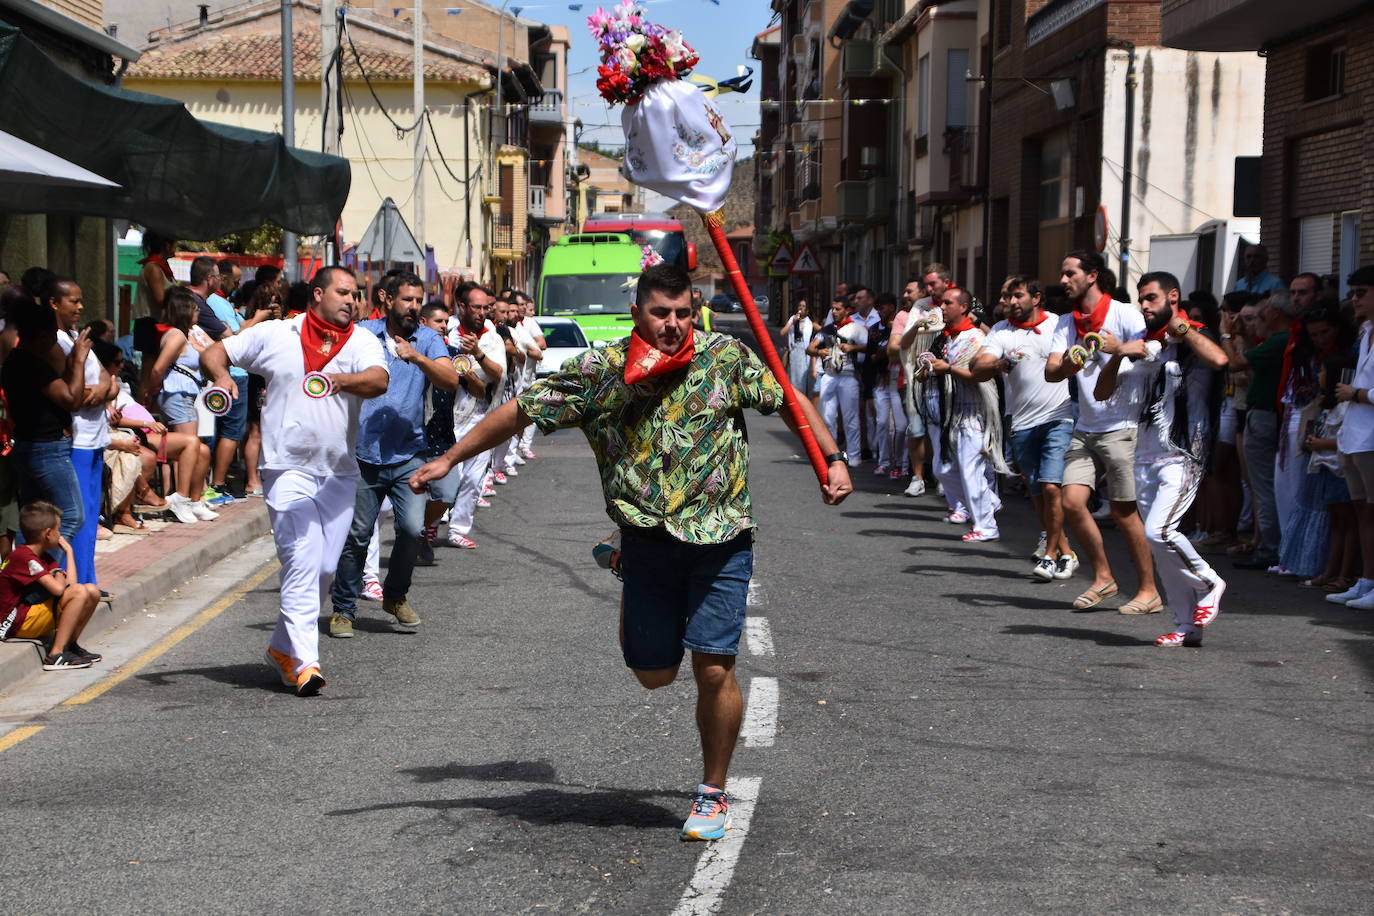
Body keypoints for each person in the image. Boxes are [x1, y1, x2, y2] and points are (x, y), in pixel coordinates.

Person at [409, 262, 852, 842]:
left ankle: (712, 792)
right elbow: (521, 410)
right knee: (654, 675)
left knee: (714, 665)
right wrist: (450, 459)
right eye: (661, 313)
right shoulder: (602, 370)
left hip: (722, 536)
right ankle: (622, 561)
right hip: (646, 539)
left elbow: (790, 398)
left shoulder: (724, 358)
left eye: (683, 314)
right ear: (638, 311)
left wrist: (833, 458)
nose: (673, 326)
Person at [201, 265, 389, 696]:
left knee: (325, 568)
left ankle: (283, 648)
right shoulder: (277, 334)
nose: (352, 300)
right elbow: (215, 351)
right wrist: (222, 376)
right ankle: (306, 662)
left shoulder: (361, 340)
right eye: (343, 292)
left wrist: (340, 379)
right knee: (302, 559)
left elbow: (379, 380)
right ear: (317, 294)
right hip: (286, 468)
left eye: (356, 294)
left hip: (339, 470)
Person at [1093, 271, 1229, 647]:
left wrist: (1180, 330)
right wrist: (1118, 352)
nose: (1144, 306)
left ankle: (1209, 581)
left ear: (1173, 296)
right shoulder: (1143, 343)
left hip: (1183, 453)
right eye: (1141, 299)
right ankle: (1187, 626)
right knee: (1160, 547)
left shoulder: (1193, 332)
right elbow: (1103, 392)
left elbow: (1219, 360)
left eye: (1151, 298)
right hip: (1146, 454)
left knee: (1160, 532)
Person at [327, 271, 457, 639]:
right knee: (357, 535)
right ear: (386, 299)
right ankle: (344, 609)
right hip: (362, 455)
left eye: (419, 301)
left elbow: (449, 380)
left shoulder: (427, 339)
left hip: (408, 455)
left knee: (413, 530)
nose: (415, 307)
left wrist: (416, 357)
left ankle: (395, 596)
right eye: (407, 300)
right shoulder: (362, 334)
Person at [1045, 250, 1160, 613]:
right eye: (1062, 274)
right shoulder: (1066, 323)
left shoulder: (1124, 312)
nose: (1063, 281)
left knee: (1125, 512)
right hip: (1086, 426)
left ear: (1092, 275)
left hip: (1123, 426)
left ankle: (1148, 591)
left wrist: (1119, 348)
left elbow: (1151, 349)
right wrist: (1070, 360)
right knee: (1071, 503)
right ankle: (1104, 577)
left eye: (1069, 273)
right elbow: (1051, 372)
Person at [978, 277, 1076, 578]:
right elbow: (978, 368)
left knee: (1051, 486)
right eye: (1008, 297)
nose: (1011, 302)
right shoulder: (1000, 331)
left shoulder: (1059, 325)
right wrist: (998, 364)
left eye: (1018, 296)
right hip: (1021, 421)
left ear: (1036, 298)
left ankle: (1048, 555)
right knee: (1036, 491)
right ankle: (1067, 551)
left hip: (1059, 417)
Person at [0, 292, 89, 557]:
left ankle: (28, 581)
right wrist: (79, 359)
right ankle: (40, 584)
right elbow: (72, 399)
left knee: (36, 523)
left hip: (31, 446)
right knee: (71, 516)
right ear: (42, 336)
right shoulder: (31, 364)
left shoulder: (17, 361)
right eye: (52, 335)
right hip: (46, 449)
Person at [42, 278, 117, 589]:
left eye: (81, 300)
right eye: (73, 301)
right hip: (77, 441)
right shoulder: (55, 343)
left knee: (89, 515)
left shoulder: (77, 337)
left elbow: (108, 381)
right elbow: (75, 393)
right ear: (54, 303)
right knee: (76, 517)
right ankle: (73, 582)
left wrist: (103, 389)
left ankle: (88, 580)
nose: (81, 307)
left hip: (96, 437)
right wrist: (100, 389)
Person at [922, 287, 1007, 541]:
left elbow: (978, 376)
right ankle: (989, 501)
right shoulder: (949, 337)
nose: (943, 308)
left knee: (971, 472)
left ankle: (986, 526)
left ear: (963, 307)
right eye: (942, 304)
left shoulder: (976, 339)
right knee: (943, 469)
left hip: (976, 414)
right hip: (955, 412)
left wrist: (946, 368)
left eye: (948, 303)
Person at [1220, 290, 1294, 571]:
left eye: (1261, 314)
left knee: (1263, 486)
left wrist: (1226, 336)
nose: (1257, 320)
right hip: (1263, 414)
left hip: (1264, 415)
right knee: (1263, 485)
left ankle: (1269, 548)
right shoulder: (1276, 340)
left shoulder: (1279, 339)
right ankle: (1267, 543)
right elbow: (1253, 358)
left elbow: (1238, 362)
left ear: (1275, 313)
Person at [140, 287, 216, 524]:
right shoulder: (176, 336)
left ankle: (194, 499)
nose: (197, 313)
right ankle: (181, 498)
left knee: (200, 449)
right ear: (183, 310)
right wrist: (153, 390)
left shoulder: (186, 334)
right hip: (176, 395)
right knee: (190, 447)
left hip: (185, 396)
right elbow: (157, 368)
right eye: (194, 309)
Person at [439, 285, 506, 549]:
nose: (481, 313)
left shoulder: (493, 337)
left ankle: (458, 529)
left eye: (484, 308)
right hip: (449, 415)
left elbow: (498, 374)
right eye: (475, 307)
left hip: (482, 415)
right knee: (448, 473)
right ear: (462, 307)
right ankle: (432, 524)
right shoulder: (448, 332)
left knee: (474, 476)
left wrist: (478, 353)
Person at [0, 501, 102, 670]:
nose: (60, 535)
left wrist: (69, 552)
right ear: (47, 533)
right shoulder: (24, 556)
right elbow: (59, 589)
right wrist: (58, 575)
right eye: (58, 530)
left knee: (92, 591)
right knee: (79, 593)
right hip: (14, 623)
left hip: (30, 615)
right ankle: (55, 654)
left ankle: (69, 645)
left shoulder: (43, 556)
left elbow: (72, 584)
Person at [1329, 267, 1374, 609]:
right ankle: (1366, 581)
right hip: (1355, 435)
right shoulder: (1366, 330)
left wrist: (1357, 394)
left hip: (1371, 437)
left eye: (1361, 292)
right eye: (1353, 292)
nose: (1354, 299)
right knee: (1362, 512)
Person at [894, 266, 951, 496]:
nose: (928, 289)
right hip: (917, 378)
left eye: (932, 284)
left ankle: (945, 477)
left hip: (945, 378)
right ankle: (917, 478)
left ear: (946, 282)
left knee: (943, 430)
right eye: (926, 285)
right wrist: (916, 326)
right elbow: (904, 344)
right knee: (916, 429)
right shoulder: (920, 307)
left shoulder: (960, 302)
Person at [807, 297, 866, 466]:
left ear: (847, 310)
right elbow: (810, 348)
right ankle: (831, 455)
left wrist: (852, 348)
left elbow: (869, 347)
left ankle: (854, 456)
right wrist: (820, 352)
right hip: (830, 375)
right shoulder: (826, 329)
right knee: (827, 416)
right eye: (833, 309)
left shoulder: (857, 329)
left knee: (851, 417)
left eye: (838, 309)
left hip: (849, 376)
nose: (834, 312)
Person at [867, 292, 906, 478]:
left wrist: (885, 351)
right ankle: (883, 462)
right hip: (881, 382)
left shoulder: (900, 327)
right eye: (878, 308)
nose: (880, 312)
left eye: (882, 308)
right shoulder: (874, 330)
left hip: (898, 379)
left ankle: (900, 463)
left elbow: (898, 350)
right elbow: (871, 356)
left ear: (891, 307)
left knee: (900, 427)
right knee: (881, 423)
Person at [134, 232, 175, 320]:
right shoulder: (153, 268)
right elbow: (161, 299)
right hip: (150, 324)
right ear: (167, 246)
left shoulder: (163, 266)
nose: (176, 247)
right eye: (175, 244)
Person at [780, 298, 815, 404]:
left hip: (805, 352)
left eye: (803, 306)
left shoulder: (810, 322)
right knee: (793, 376)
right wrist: (793, 322)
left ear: (807, 310)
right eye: (800, 305)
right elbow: (782, 332)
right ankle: (794, 399)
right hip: (795, 350)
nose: (801, 308)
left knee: (803, 377)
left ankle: (802, 400)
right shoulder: (793, 319)